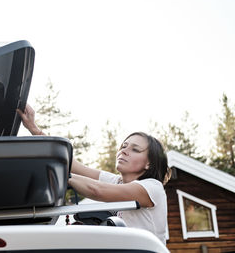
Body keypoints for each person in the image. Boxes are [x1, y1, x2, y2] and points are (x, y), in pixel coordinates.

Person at [17, 104, 170, 245]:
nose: (124, 150)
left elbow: (96, 190)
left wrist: (59, 175)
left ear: (149, 163)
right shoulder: (117, 182)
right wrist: (34, 129)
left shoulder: (152, 187)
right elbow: (72, 164)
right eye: (124, 146)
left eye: (135, 149)